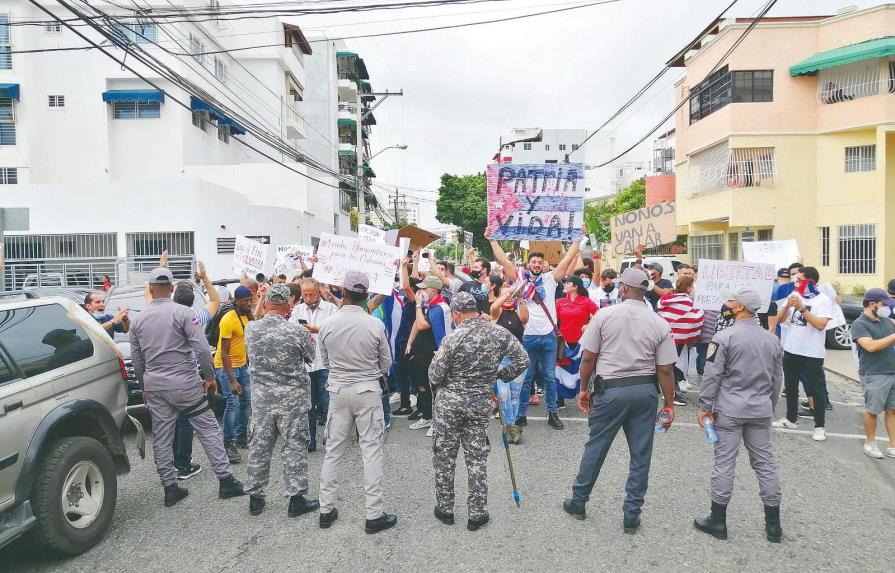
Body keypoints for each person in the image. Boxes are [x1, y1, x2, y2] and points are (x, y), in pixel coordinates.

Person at [562, 268, 676, 534]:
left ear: (623, 288)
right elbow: (666, 370)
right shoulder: (658, 322)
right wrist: (668, 404)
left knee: (596, 446)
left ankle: (579, 501)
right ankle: (631, 514)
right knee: (640, 454)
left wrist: (583, 388)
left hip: (610, 390)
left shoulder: (605, 315)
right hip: (644, 391)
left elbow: (588, 358)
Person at [129, 268, 244, 507]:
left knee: (161, 436)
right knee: (208, 429)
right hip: (185, 383)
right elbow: (202, 349)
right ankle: (226, 481)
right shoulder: (184, 313)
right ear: (171, 289)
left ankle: (170, 488)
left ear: (150, 289)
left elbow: (137, 359)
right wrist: (210, 376)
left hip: (155, 385)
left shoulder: (138, 319)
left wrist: (144, 386)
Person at [429, 292, 529, 531]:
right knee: (476, 457)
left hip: (449, 406)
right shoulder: (498, 333)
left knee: (444, 456)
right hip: (479, 404)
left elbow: (434, 374)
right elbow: (523, 359)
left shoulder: (452, 338)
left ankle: (446, 509)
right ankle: (477, 512)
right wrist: (498, 375)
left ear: (456, 313)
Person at [693, 286, 784, 543]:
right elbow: (778, 379)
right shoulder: (772, 339)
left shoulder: (723, 337)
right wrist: (769, 404)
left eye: (732, 301)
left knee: (724, 463)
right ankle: (773, 526)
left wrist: (705, 406)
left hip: (731, 408)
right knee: (765, 464)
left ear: (740, 307)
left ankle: (718, 521)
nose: (728, 304)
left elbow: (712, 374)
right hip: (760, 408)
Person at [317, 270, 396, 534]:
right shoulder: (374, 324)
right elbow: (386, 363)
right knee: (371, 451)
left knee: (333, 451)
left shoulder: (328, 323)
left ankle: (326, 509)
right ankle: (373, 514)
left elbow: (325, 360)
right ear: (365, 295)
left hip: (338, 389)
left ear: (344, 291)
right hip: (367, 389)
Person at [244, 285, 320, 518]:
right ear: (289, 305)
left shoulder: (251, 329)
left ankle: (256, 498)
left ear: (266, 303)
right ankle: (295, 499)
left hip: (262, 401)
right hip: (292, 401)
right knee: (294, 446)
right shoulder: (297, 332)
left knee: (259, 447)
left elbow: (257, 317)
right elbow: (311, 356)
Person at [492, 237, 582, 430]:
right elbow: (504, 261)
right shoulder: (520, 279)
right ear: (528, 264)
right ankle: (521, 414)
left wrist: (577, 240)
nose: (537, 265)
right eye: (534, 262)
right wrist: (492, 239)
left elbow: (566, 261)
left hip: (549, 335)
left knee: (550, 377)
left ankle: (553, 413)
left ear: (544, 265)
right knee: (527, 377)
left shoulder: (551, 278)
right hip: (528, 335)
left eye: (540, 263)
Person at [170, 262, 220, 480]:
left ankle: (172, 463)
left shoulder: (160, 315)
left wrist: (163, 268)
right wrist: (205, 277)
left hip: (162, 376)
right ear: (192, 300)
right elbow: (216, 301)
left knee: (169, 421)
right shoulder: (196, 317)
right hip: (187, 375)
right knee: (185, 421)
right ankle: (183, 464)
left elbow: (149, 296)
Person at [772, 267, 833, 441]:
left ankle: (819, 426)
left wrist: (802, 309)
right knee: (791, 386)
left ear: (811, 282)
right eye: (795, 279)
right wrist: (788, 307)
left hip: (812, 353)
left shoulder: (823, 300)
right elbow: (779, 319)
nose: (796, 282)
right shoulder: (794, 295)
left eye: (799, 279)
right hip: (792, 349)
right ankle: (791, 418)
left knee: (815, 389)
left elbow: (821, 325)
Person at [290, 278, 338, 452]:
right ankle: (310, 440)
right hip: (306, 364)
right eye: (305, 294)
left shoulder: (331, 309)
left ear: (318, 292)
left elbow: (337, 332)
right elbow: (290, 331)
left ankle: (331, 437)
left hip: (325, 362)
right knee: (307, 405)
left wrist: (317, 330)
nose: (309, 297)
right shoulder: (298, 310)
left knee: (328, 403)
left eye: (312, 294)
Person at [848, 288, 895, 459]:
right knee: (873, 410)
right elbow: (870, 346)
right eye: (884, 305)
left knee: (892, 410)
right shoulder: (859, 324)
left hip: (892, 370)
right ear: (872, 304)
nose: (887, 308)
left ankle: (893, 446)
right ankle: (870, 443)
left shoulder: (887, 321)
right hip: (874, 373)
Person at [407, 275, 453, 433]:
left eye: (424, 288)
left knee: (436, 388)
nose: (421, 291)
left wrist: (418, 306)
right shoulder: (431, 305)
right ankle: (427, 416)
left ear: (433, 290)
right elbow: (417, 324)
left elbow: (421, 324)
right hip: (427, 350)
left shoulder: (438, 307)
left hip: (438, 351)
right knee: (422, 383)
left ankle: (437, 422)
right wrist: (410, 342)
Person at [215, 285, 254, 463]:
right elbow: (223, 352)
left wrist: (251, 313)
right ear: (236, 302)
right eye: (245, 301)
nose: (248, 304)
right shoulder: (228, 320)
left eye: (250, 300)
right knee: (233, 403)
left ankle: (241, 437)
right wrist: (231, 380)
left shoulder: (246, 316)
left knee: (246, 402)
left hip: (243, 365)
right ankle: (227, 444)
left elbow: (252, 330)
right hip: (226, 366)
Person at [490, 281, 529, 444]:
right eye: (505, 295)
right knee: (504, 395)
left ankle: (510, 425)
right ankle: (511, 426)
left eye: (510, 295)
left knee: (514, 395)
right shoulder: (497, 314)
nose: (508, 298)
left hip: (518, 361)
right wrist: (507, 293)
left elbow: (525, 317)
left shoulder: (517, 314)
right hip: (501, 361)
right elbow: (493, 308)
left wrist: (520, 298)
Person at [656, 276, 704, 406]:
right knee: (670, 365)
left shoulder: (666, 299)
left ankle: (669, 391)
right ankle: (671, 394)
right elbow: (696, 317)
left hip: (664, 336)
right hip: (678, 338)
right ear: (688, 288)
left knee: (666, 364)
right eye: (692, 287)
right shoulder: (686, 301)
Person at [555, 275, 598, 404]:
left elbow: (600, 315)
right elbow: (553, 320)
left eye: (567, 283)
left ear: (575, 286)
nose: (564, 285)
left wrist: (589, 325)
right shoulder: (560, 302)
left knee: (583, 370)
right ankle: (560, 398)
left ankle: (584, 395)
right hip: (564, 343)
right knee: (561, 370)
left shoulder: (586, 301)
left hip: (581, 342)